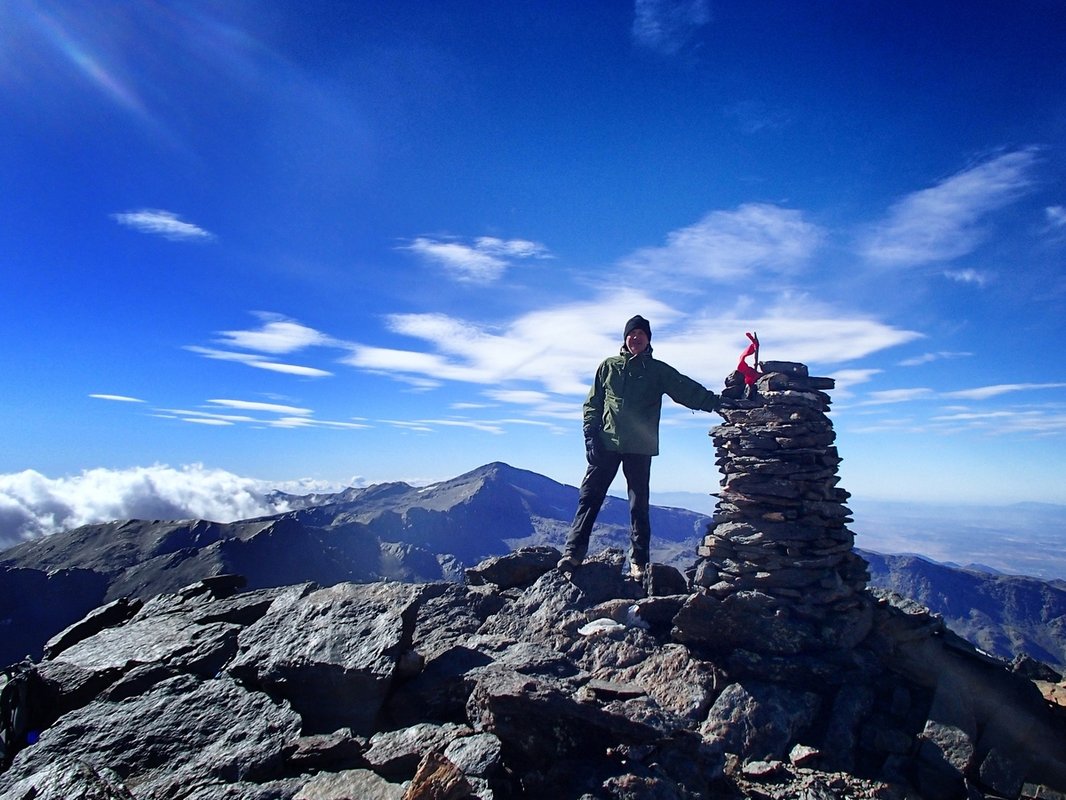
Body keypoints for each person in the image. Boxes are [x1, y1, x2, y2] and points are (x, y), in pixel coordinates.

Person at [558, 315, 721, 580]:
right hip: (606, 444)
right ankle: (572, 553)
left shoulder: (657, 371)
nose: (635, 338)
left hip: (640, 448)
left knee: (638, 504)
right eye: (631, 333)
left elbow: (685, 389)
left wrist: (716, 403)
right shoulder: (608, 367)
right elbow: (593, 403)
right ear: (625, 338)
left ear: (648, 339)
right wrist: (590, 433)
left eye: (641, 334)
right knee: (589, 497)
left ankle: (639, 561)